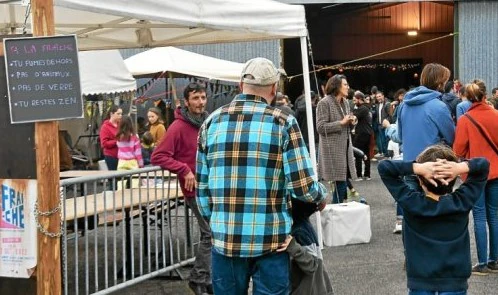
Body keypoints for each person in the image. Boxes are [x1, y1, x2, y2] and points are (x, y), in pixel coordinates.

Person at [196, 57, 327, 295]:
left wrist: (219, 221)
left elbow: (202, 191)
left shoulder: (211, 123)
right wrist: (322, 194)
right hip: (271, 240)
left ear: (240, 86)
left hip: (226, 239)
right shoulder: (283, 123)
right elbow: (304, 187)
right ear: (274, 89)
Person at [378, 144, 489, 295]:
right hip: (455, 281)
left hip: (420, 279)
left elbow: (385, 167)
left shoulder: (412, 203)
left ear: (420, 181)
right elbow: (483, 166)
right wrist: (459, 167)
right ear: (453, 178)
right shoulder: (461, 202)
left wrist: (418, 168)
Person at [151, 82, 212, 295]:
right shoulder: (177, 127)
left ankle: (207, 278)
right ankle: (198, 278)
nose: (200, 102)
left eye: (203, 98)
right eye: (195, 98)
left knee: (216, 233)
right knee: (211, 234)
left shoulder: (207, 122)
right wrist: (183, 169)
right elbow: (158, 156)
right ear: (186, 102)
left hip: (211, 187)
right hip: (194, 189)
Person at [453, 80, 498, 275]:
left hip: (475, 173)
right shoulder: (497, 115)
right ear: (485, 95)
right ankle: (495, 260)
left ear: (468, 98)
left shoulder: (465, 119)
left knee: (479, 216)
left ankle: (482, 263)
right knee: (494, 216)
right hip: (496, 171)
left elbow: (458, 150)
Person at [317, 74, 357, 204]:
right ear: (337, 86)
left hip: (345, 147)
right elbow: (320, 127)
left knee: (342, 183)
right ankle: (336, 212)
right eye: (345, 84)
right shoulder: (324, 102)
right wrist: (341, 123)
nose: (348, 87)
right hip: (332, 150)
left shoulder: (345, 102)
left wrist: (352, 121)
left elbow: (346, 121)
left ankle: (338, 210)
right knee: (340, 183)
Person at [287, 198, 333, 295]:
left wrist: (292, 245)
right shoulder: (304, 226)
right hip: (318, 288)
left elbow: (311, 265)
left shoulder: (300, 231)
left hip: (308, 290)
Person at [352, 91, 373, 180]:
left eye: (355, 100)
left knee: (357, 153)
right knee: (366, 153)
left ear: (360, 99)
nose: (354, 101)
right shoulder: (366, 108)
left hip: (361, 133)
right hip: (367, 133)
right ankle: (367, 175)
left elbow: (352, 116)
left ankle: (359, 175)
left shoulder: (362, 108)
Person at [99, 105, 123, 171]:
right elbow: (104, 144)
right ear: (111, 114)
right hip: (111, 156)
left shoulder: (121, 125)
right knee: (114, 178)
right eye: (118, 114)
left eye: (121, 114)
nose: (120, 116)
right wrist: (117, 141)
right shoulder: (105, 127)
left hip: (123, 156)